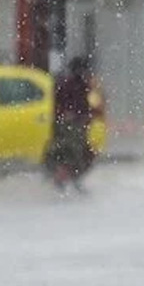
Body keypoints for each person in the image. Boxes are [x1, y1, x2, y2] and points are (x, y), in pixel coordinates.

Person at [48, 57, 96, 192]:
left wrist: (86, 117)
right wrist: (68, 116)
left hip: (75, 125)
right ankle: (65, 181)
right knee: (71, 154)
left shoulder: (79, 84)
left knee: (77, 154)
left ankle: (70, 181)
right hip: (70, 126)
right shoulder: (70, 84)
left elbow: (83, 105)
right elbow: (63, 105)